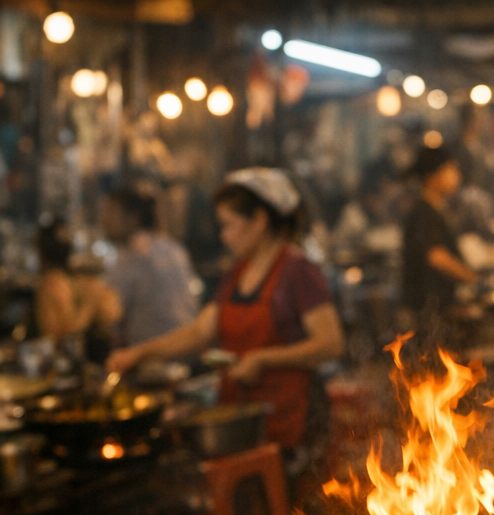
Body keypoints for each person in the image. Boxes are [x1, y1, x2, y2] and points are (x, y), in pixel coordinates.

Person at [107, 167, 344, 459]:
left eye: (229, 225)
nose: (224, 236)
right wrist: (138, 354)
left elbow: (330, 343)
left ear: (259, 221)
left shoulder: (298, 270)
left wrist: (263, 358)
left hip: (290, 419)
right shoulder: (238, 272)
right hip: (243, 417)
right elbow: (199, 332)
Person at [101, 184, 198, 348]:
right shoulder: (173, 247)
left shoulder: (132, 255)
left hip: (153, 354)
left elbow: (110, 316)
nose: (105, 221)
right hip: (188, 345)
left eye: (111, 213)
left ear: (133, 218)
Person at [399, 144, 477, 345]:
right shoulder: (424, 212)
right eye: (451, 169)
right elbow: (436, 256)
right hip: (428, 310)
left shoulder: (434, 209)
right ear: (433, 176)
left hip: (437, 307)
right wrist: (472, 278)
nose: (456, 176)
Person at [33, 215, 121, 363]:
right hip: (75, 362)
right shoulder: (69, 281)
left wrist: (91, 305)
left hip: (72, 363)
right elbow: (62, 335)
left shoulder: (55, 283)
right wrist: (91, 304)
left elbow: (56, 338)